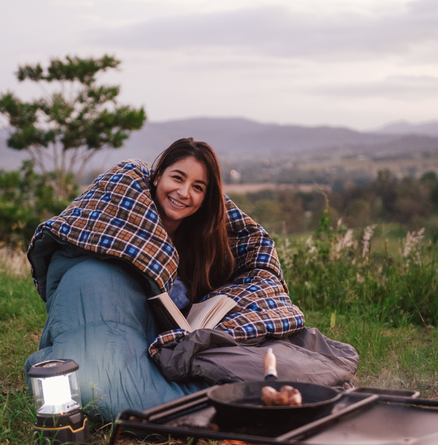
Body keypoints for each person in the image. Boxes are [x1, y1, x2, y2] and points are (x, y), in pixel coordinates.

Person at [25, 138, 358, 419]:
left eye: (197, 187)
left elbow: (252, 260)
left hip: (171, 334)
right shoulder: (127, 217)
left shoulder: (200, 242)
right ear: (157, 177)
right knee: (107, 379)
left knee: (271, 360)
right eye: (177, 178)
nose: (184, 193)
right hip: (114, 301)